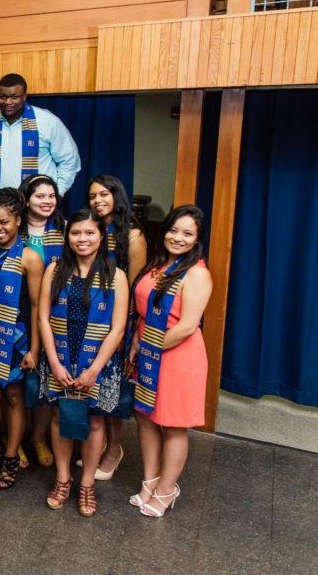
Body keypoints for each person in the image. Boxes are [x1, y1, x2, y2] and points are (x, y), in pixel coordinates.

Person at [40, 209, 128, 516]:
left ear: (101, 237)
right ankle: (63, 479)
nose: (82, 239)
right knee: (59, 418)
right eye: (76, 233)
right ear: (67, 236)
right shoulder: (55, 270)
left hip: (98, 362)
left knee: (94, 421)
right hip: (60, 358)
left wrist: (94, 369)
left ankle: (87, 484)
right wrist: (53, 362)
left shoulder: (115, 276)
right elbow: (43, 318)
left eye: (90, 233)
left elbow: (118, 328)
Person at [128, 205, 212, 518]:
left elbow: (188, 326)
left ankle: (167, 488)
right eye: (173, 230)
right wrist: (138, 342)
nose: (177, 237)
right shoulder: (157, 265)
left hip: (178, 357)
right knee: (146, 417)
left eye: (187, 233)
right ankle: (150, 480)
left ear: (196, 240)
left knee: (173, 425)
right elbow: (145, 311)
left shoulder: (197, 274)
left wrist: (150, 348)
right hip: (148, 350)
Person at [0, 188, 44, 490]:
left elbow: (39, 306)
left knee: (14, 397)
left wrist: (35, 350)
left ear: (17, 220)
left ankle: (12, 456)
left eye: (5, 223)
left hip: (16, 338)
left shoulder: (30, 258)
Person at [87, 173, 147, 480]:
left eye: (103, 195)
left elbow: (137, 290)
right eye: (93, 196)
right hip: (92, 318)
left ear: (116, 196)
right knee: (97, 385)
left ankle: (114, 449)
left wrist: (126, 331)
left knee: (114, 387)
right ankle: (98, 445)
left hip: (120, 320)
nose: (97, 201)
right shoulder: (92, 229)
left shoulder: (133, 236)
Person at [19, 174, 67, 469]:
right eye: (40, 196)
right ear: (26, 199)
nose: (47, 201)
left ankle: (38, 438)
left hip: (54, 315)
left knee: (45, 382)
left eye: (51, 196)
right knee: (17, 383)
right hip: (18, 313)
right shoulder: (12, 229)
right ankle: (15, 439)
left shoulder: (64, 232)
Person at [0, 73, 81, 202]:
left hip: (37, 205)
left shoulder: (47, 121)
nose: (7, 102)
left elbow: (70, 160)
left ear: (24, 97)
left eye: (14, 97)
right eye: (2, 97)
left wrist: (58, 192)